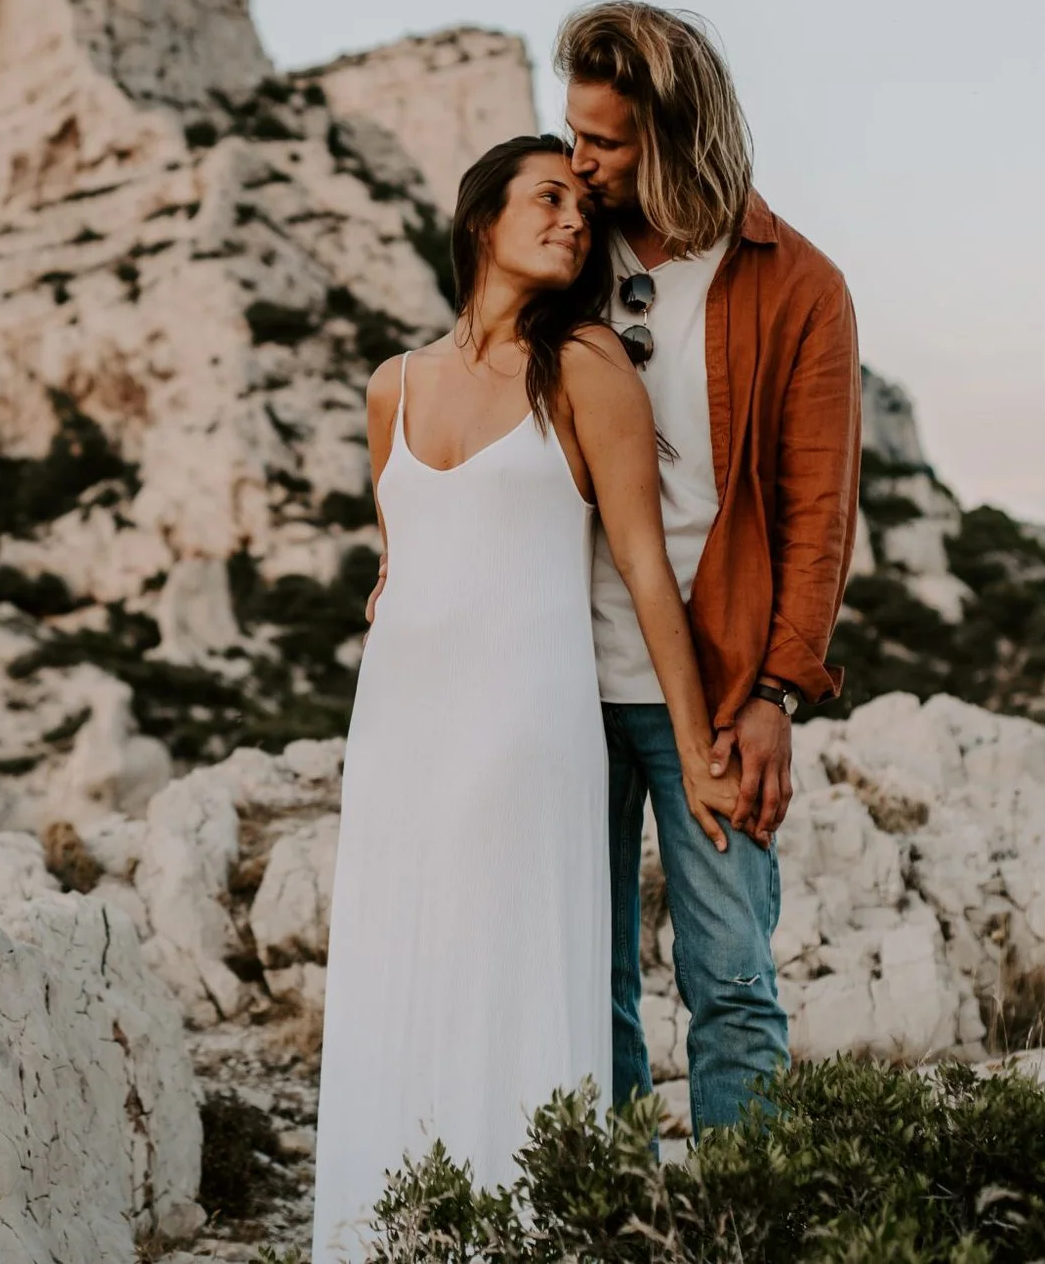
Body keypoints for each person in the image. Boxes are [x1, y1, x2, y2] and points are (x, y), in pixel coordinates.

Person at [309, 135, 739, 1261]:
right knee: (401, 971)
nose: (574, 220)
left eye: (583, 210)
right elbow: (401, 557)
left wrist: (695, 744)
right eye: (548, 198)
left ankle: (519, 1236)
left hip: (524, 727)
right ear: (480, 220)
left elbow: (644, 566)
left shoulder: (586, 364)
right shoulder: (392, 386)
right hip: (399, 731)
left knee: (508, 979)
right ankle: (390, 1234)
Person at [555, 2, 861, 1132]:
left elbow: (819, 512)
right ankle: (610, 1204)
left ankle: (747, 1211)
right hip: (563, 680)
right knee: (582, 979)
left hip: (723, 692)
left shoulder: (800, 286)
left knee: (730, 980)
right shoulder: (562, 258)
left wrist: (780, 692)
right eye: (572, 133)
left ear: (675, 140)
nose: (578, 162)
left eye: (604, 142)